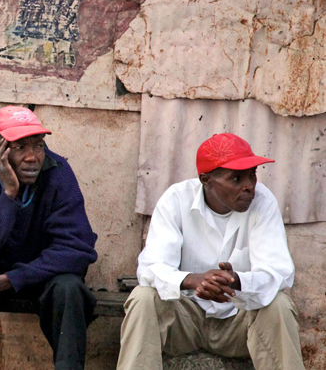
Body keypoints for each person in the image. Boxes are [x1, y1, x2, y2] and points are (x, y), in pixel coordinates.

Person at [118, 133, 303, 370]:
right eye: (236, 178)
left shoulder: (263, 202)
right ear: (206, 180)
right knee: (143, 297)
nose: (249, 186)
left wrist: (237, 281)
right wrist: (193, 280)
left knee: (279, 305)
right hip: (185, 325)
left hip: (238, 325)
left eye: (252, 175)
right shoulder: (176, 200)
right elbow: (150, 267)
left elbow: (278, 273)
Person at [0, 106, 99, 370]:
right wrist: (8, 195)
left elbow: (77, 251)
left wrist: (4, 281)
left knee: (70, 289)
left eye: (38, 145)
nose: (33, 157)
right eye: (20, 147)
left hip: (44, 275)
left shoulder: (58, 172)